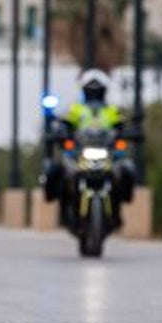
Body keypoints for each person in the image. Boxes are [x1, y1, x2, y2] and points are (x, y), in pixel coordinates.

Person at [48, 69, 136, 218]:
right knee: (55, 170)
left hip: (106, 155)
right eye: (90, 89)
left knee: (128, 170)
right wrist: (60, 132)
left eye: (98, 90)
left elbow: (120, 125)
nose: (94, 93)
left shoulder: (110, 110)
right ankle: (60, 205)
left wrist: (127, 132)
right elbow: (66, 123)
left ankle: (120, 204)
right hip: (80, 154)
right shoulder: (77, 109)